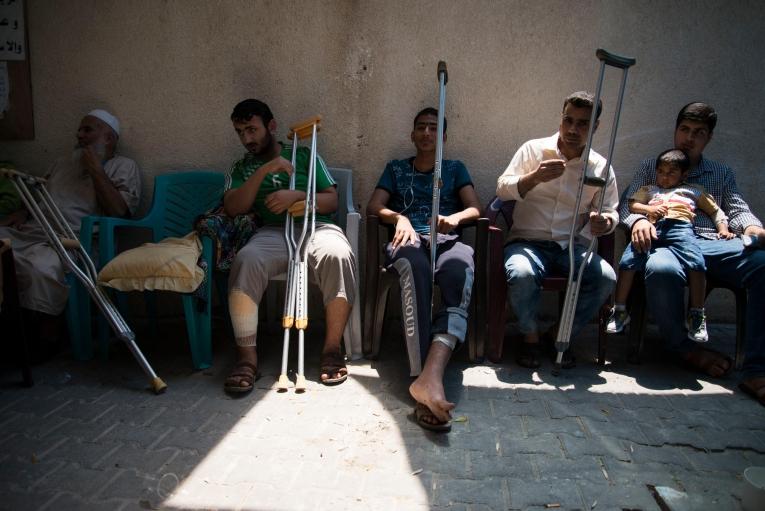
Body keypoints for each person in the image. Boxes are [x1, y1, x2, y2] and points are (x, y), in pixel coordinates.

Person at [620, 102, 765, 406]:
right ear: (675, 130)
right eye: (684, 129)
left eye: (698, 132)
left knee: (762, 264)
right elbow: (627, 205)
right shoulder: (653, 166)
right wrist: (640, 220)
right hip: (667, 241)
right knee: (660, 269)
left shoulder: (720, 173)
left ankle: (756, 370)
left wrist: (753, 229)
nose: (689, 138)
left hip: (712, 241)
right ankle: (682, 348)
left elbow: (737, 211)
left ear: (708, 138)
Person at [222, 99, 356, 393]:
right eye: (240, 132)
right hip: (272, 232)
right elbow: (233, 207)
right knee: (246, 260)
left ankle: (332, 350)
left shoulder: (306, 155)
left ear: (271, 126)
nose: (247, 139)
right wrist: (265, 169)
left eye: (252, 129)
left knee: (339, 254)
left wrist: (299, 198)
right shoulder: (242, 167)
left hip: (316, 226)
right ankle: (247, 358)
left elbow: (332, 201)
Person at [367, 107, 481, 432]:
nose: (427, 133)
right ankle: (421, 378)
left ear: (443, 137)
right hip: (408, 240)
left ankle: (430, 377)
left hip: (444, 238)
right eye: (421, 128)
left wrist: (455, 219)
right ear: (412, 134)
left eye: (434, 128)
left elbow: (476, 207)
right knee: (414, 268)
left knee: (460, 270)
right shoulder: (396, 169)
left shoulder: (455, 169)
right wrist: (398, 218)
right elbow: (374, 205)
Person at [496, 91, 618, 369]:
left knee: (606, 279)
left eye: (583, 124)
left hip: (569, 246)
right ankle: (530, 336)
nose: (573, 130)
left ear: (595, 127)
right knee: (521, 273)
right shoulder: (533, 150)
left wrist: (605, 222)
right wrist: (534, 177)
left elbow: (610, 209)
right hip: (527, 241)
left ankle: (559, 334)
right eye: (568, 120)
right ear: (561, 119)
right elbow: (502, 189)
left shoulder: (599, 167)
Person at [0, 110, 140, 351]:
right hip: (33, 231)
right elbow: (38, 194)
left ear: (108, 138)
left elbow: (120, 211)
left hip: (74, 242)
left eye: (88, 130)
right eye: (79, 130)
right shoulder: (62, 162)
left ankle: (45, 337)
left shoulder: (124, 166)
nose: (79, 135)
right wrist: (23, 211)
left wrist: (96, 169)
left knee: (39, 265)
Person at [608, 149, 734, 342]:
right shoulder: (650, 190)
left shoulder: (693, 191)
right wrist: (649, 208)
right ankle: (620, 310)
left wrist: (723, 228)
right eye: (660, 171)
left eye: (671, 173)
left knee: (697, 264)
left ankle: (696, 314)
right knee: (627, 261)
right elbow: (633, 204)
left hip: (681, 230)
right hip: (653, 228)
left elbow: (716, 211)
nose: (664, 177)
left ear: (683, 175)